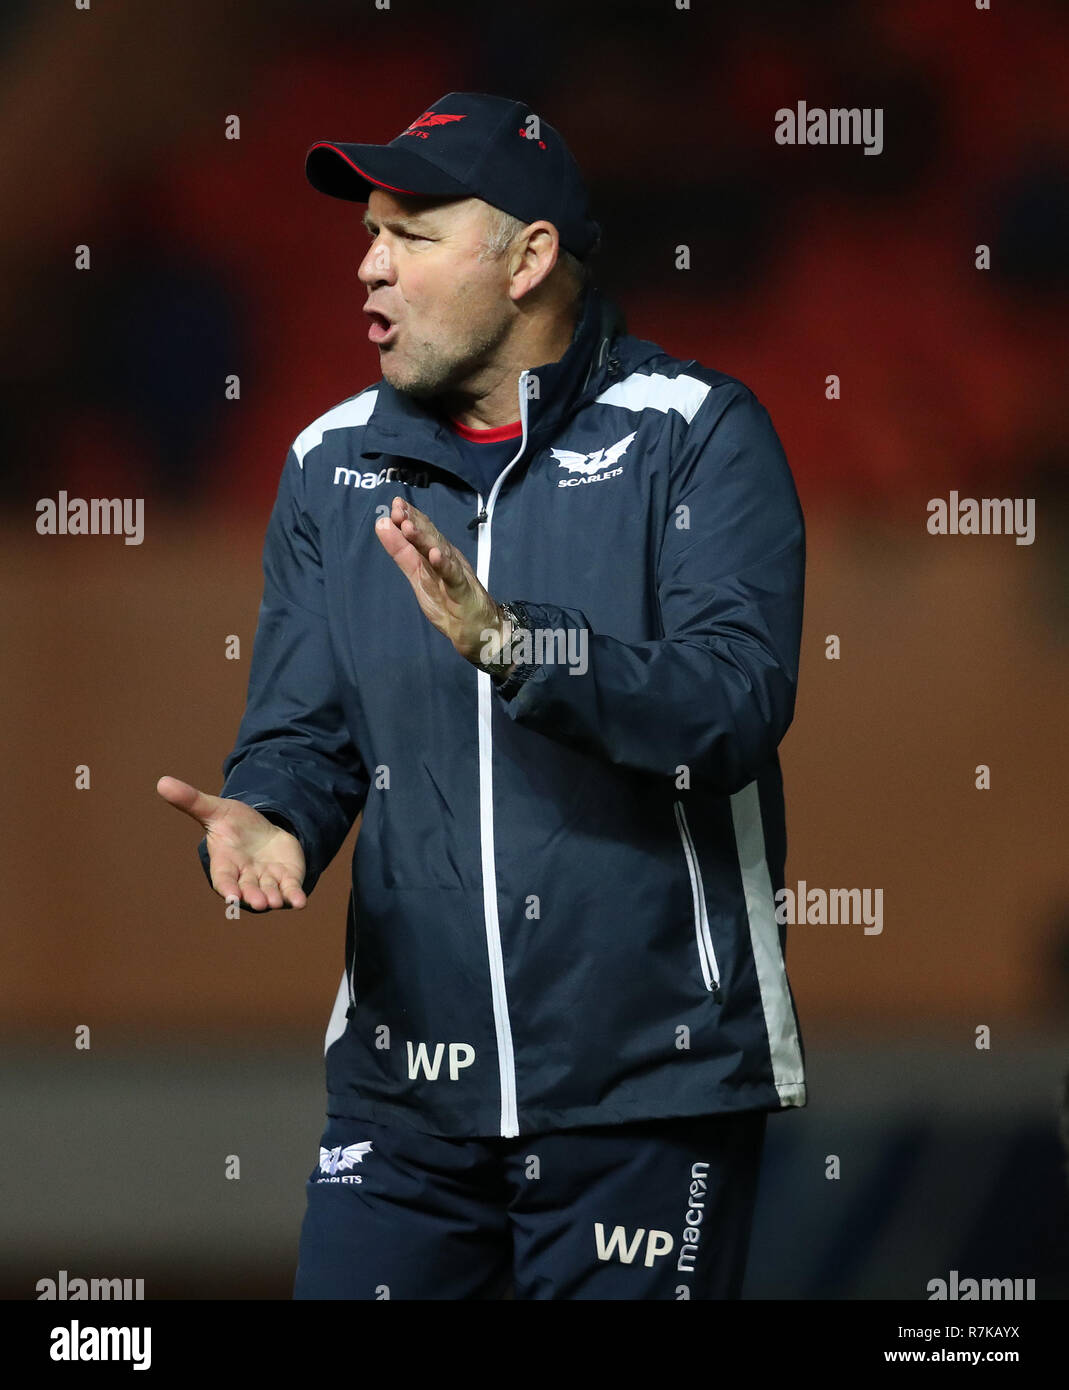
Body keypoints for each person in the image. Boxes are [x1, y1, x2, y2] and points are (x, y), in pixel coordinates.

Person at [157, 91, 807, 1301]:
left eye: (407, 233)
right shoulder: (325, 464)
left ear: (530, 257)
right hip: (403, 1106)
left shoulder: (698, 433)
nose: (366, 269)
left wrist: (517, 646)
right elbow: (305, 734)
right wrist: (270, 818)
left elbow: (731, 703)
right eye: (366, 234)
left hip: (644, 1091)